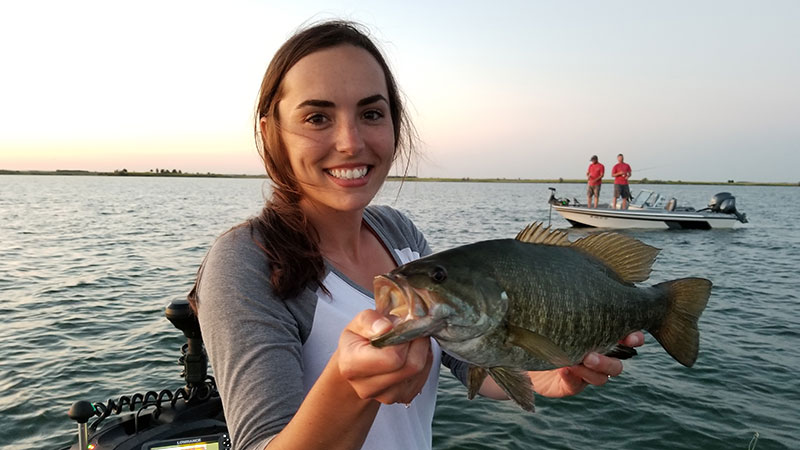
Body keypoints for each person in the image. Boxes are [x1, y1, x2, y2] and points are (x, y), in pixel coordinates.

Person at [188, 20, 644, 450]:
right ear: (272, 135)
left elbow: (469, 359)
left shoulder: (397, 231)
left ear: (394, 125)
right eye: (317, 118)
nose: (350, 142)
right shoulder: (245, 261)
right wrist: (351, 390)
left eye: (371, 112)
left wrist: (544, 374)